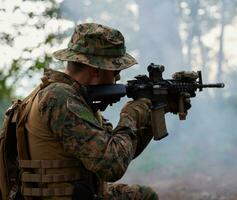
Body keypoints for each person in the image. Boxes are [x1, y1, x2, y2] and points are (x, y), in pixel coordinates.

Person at [19, 23, 159, 200]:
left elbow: (121, 153)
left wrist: (149, 118)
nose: (118, 77)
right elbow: (112, 166)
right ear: (96, 71)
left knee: (144, 195)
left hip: (79, 193)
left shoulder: (74, 98)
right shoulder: (60, 98)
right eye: (115, 70)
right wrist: (131, 116)